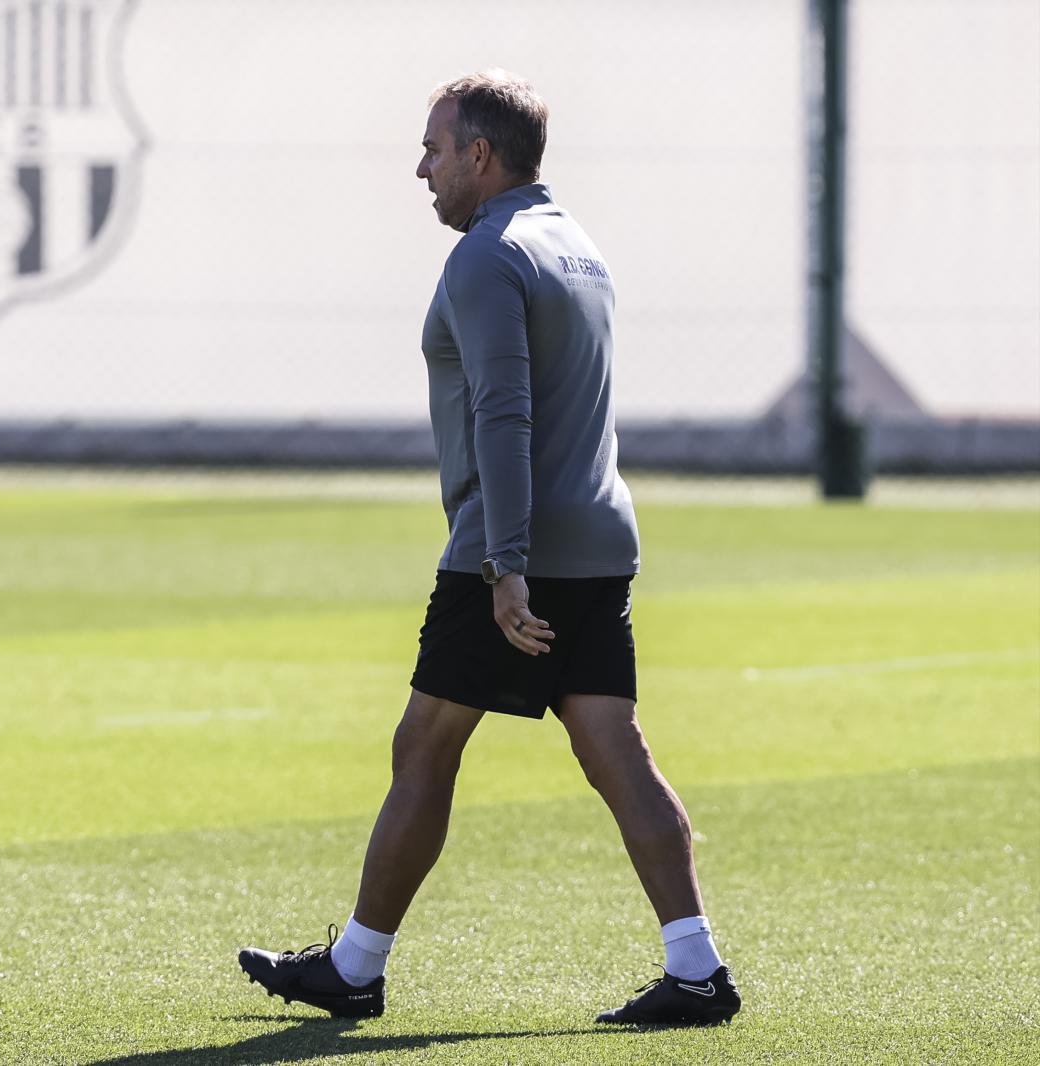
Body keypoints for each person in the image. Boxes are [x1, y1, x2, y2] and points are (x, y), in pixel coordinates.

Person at [238, 71, 741, 1026]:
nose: (420, 168)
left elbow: (504, 412)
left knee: (423, 745)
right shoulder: (578, 247)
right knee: (615, 751)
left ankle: (355, 967)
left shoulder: (486, 254)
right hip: (597, 534)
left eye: (433, 149)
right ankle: (697, 968)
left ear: (481, 154)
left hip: (513, 549)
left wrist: (505, 566)